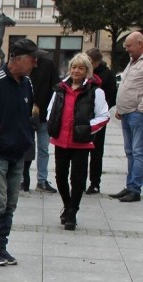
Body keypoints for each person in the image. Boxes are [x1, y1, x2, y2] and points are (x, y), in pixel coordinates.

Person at [0, 38, 44, 266]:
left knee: (11, 203)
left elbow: (28, 113)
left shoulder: (27, 83)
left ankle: (1, 246)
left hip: (18, 153)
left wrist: (25, 133)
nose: (35, 62)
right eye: (32, 58)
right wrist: (1, 136)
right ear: (17, 58)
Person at [46, 53, 109, 230]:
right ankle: (67, 205)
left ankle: (72, 212)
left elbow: (104, 116)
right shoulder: (60, 89)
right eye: (74, 67)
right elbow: (51, 110)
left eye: (81, 68)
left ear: (87, 70)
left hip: (80, 142)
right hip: (61, 140)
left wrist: (87, 129)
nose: (76, 70)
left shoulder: (96, 91)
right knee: (60, 177)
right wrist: (52, 126)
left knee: (78, 179)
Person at [110, 31, 143, 203]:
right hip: (126, 112)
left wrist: (139, 109)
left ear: (140, 44)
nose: (126, 49)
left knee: (138, 152)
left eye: (129, 45)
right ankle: (130, 185)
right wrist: (120, 107)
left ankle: (135, 189)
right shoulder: (132, 61)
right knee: (130, 152)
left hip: (137, 115)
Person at [23, 54, 60, 194]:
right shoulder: (24, 65)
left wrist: (51, 109)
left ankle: (42, 180)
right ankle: (22, 179)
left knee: (44, 149)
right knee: (26, 148)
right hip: (27, 115)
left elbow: (55, 87)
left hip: (44, 115)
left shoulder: (48, 64)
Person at [85, 48, 118, 194]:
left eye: (91, 62)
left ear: (97, 62)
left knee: (96, 151)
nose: (88, 64)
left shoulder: (107, 74)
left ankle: (95, 182)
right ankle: (79, 180)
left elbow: (111, 96)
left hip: (98, 118)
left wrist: (102, 111)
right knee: (81, 151)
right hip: (83, 117)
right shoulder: (84, 71)